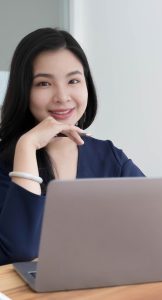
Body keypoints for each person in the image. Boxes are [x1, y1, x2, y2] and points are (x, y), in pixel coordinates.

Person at [0, 28, 144, 265]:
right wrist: (27, 145)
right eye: (44, 83)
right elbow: (22, 251)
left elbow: (156, 221)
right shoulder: (6, 160)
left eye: (73, 80)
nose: (62, 96)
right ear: (23, 91)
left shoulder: (108, 156)